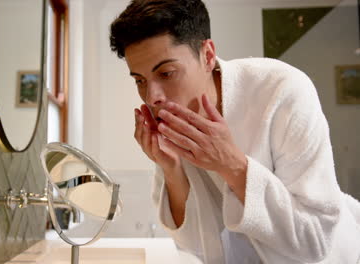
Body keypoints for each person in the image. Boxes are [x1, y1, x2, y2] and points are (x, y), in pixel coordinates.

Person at [109, 0, 360, 263]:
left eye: (167, 73)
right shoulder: (171, 125)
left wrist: (232, 166)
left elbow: (316, 240)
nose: (152, 97)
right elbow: (198, 248)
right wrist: (172, 171)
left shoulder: (282, 90)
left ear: (207, 56)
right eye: (140, 80)